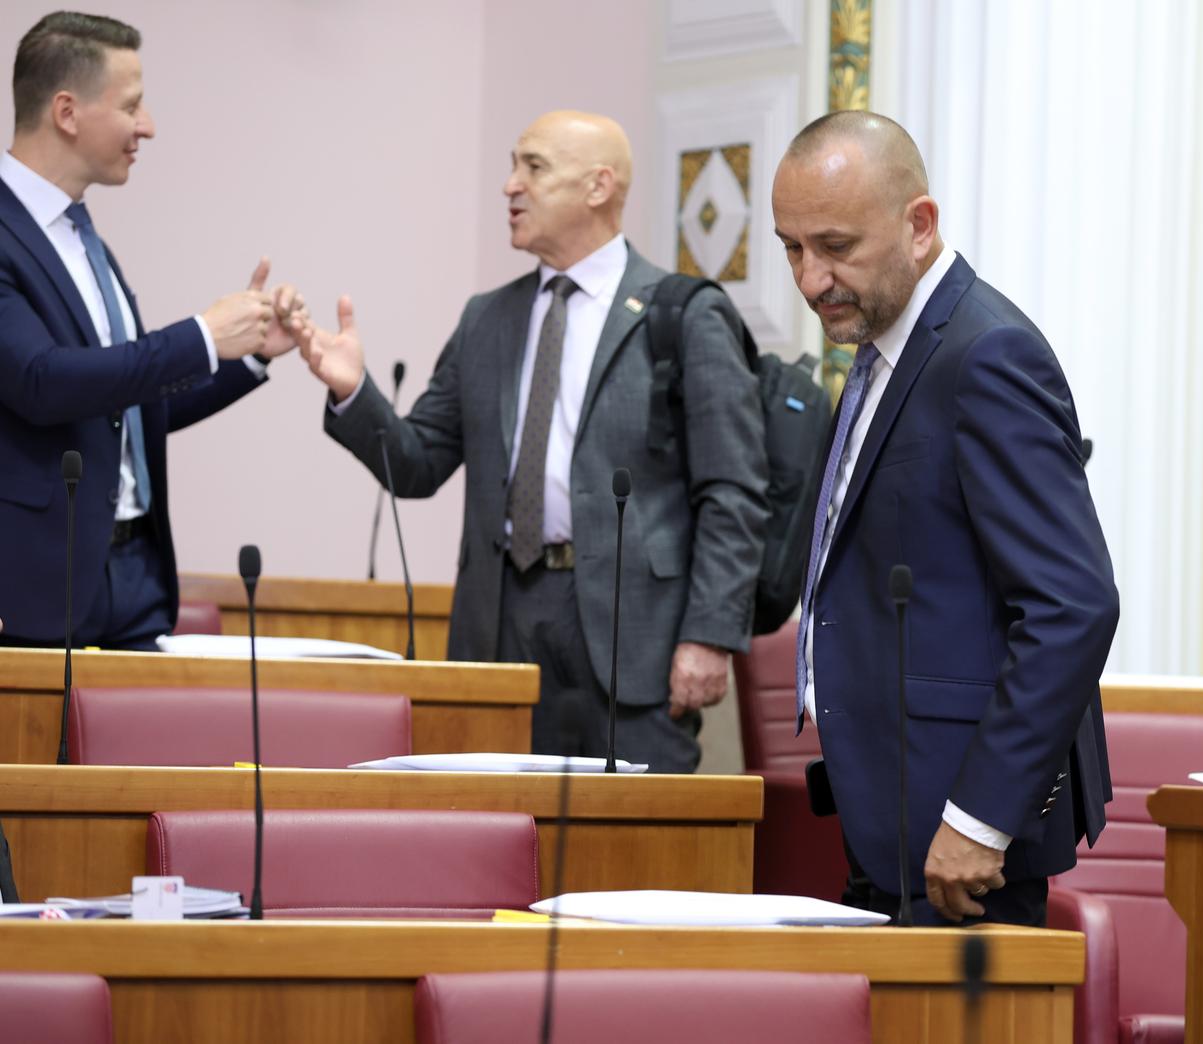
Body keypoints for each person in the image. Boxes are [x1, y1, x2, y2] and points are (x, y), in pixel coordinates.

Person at [296, 110, 767, 773]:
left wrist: (709, 635)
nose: (510, 185)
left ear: (599, 186)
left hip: (634, 632)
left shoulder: (681, 313)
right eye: (513, 166)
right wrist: (353, 392)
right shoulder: (488, 317)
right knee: (494, 837)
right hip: (499, 617)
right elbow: (417, 463)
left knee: (632, 848)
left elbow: (733, 491)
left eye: (534, 167)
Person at [774, 111, 1119, 926]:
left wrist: (980, 817)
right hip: (889, 819)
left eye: (836, 246)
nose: (812, 278)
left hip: (961, 841)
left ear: (919, 226)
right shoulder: (884, 348)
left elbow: (1073, 605)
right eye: (793, 249)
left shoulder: (986, 355)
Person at [0, 11, 303, 651]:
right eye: (133, 105)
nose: (149, 126)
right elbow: (40, 381)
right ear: (67, 111)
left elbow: (126, 406)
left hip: (136, 578)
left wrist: (245, 356)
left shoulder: (85, 240)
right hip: (36, 587)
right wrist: (199, 335)